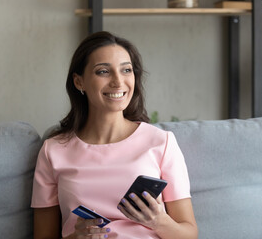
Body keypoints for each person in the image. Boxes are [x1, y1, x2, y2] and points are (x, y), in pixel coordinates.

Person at [31, 31, 198, 239]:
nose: (118, 82)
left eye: (126, 70)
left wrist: (158, 221)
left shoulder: (161, 143)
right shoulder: (53, 151)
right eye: (103, 72)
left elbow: (189, 234)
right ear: (78, 82)